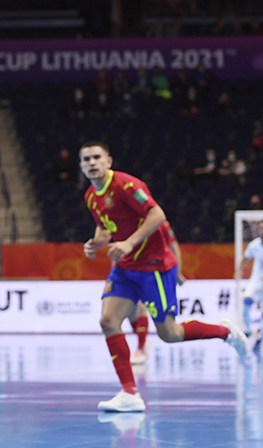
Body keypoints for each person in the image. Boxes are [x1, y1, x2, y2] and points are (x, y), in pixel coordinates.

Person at [80, 141, 247, 412]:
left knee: (170, 334)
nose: (91, 163)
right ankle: (129, 393)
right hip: (124, 267)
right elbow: (104, 227)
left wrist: (130, 242)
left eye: (97, 157)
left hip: (154, 266)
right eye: (86, 159)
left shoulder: (126, 185)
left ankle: (226, 332)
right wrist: (96, 242)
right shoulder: (91, 196)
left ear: (108, 161)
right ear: (81, 166)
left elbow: (157, 214)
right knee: (108, 321)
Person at [129, 220, 185, 365]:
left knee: (142, 306)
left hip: (156, 271)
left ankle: (141, 348)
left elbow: (174, 246)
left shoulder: (159, 222)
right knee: (129, 310)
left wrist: (178, 273)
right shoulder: (128, 220)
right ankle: (142, 340)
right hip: (133, 269)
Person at [238, 221, 263, 337]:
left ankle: (261, 336)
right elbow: (245, 257)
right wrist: (239, 270)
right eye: (260, 228)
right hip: (256, 281)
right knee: (246, 302)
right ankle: (247, 331)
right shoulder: (254, 245)